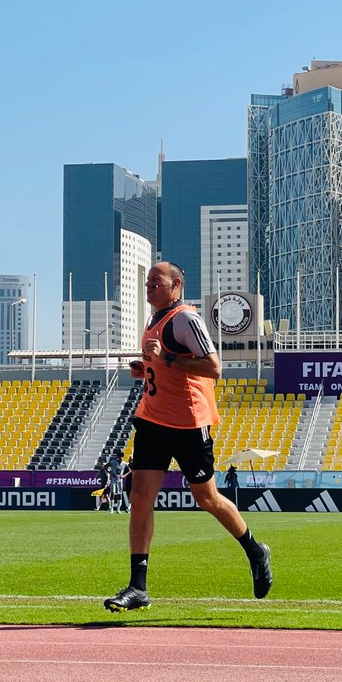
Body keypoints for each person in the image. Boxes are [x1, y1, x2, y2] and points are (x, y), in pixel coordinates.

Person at [103, 261, 272, 612]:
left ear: (175, 284)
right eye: (147, 281)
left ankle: (255, 550)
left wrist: (165, 359)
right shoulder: (154, 319)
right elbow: (164, 364)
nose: (148, 286)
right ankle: (138, 587)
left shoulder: (185, 319)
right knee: (140, 496)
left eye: (156, 281)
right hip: (152, 420)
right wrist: (147, 368)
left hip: (188, 423)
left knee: (206, 498)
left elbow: (213, 368)